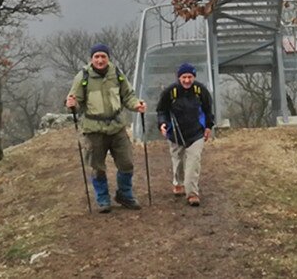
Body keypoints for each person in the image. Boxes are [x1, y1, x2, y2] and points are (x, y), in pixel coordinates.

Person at [65, 43, 147, 213]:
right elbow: (76, 102)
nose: (100, 60)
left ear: (108, 58)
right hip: (93, 130)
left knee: (127, 163)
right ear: (91, 59)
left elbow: (128, 96)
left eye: (103, 56)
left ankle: (124, 194)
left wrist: (136, 105)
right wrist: (71, 104)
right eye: (97, 57)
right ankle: (103, 199)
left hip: (117, 127)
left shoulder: (117, 74)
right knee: (97, 166)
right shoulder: (83, 77)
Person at [156, 62, 214, 207]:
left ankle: (192, 193)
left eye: (190, 77)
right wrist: (162, 123)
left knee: (193, 162)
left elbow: (208, 110)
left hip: (196, 133)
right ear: (179, 78)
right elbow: (161, 110)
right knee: (178, 161)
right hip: (175, 133)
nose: (187, 80)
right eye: (184, 77)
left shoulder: (201, 91)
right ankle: (178, 183)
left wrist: (208, 127)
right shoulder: (170, 92)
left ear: (194, 77)